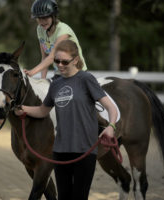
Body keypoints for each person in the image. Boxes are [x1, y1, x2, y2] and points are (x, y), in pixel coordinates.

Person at [15, 40, 118, 200]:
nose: (60, 65)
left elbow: (111, 108)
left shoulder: (86, 79)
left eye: (65, 61)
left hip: (84, 151)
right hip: (61, 151)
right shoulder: (55, 84)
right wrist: (24, 109)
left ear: (75, 60)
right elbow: (43, 110)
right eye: (56, 61)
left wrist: (110, 126)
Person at [25, 0, 87, 80]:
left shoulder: (63, 30)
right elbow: (44, 57)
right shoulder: (40, 29)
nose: (42, 22)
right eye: (39, 18)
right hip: (60, 74)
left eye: (45, 17)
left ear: (53, 16)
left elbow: (52, 57)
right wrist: (42, 80)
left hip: (76, 74)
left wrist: (31, 72)